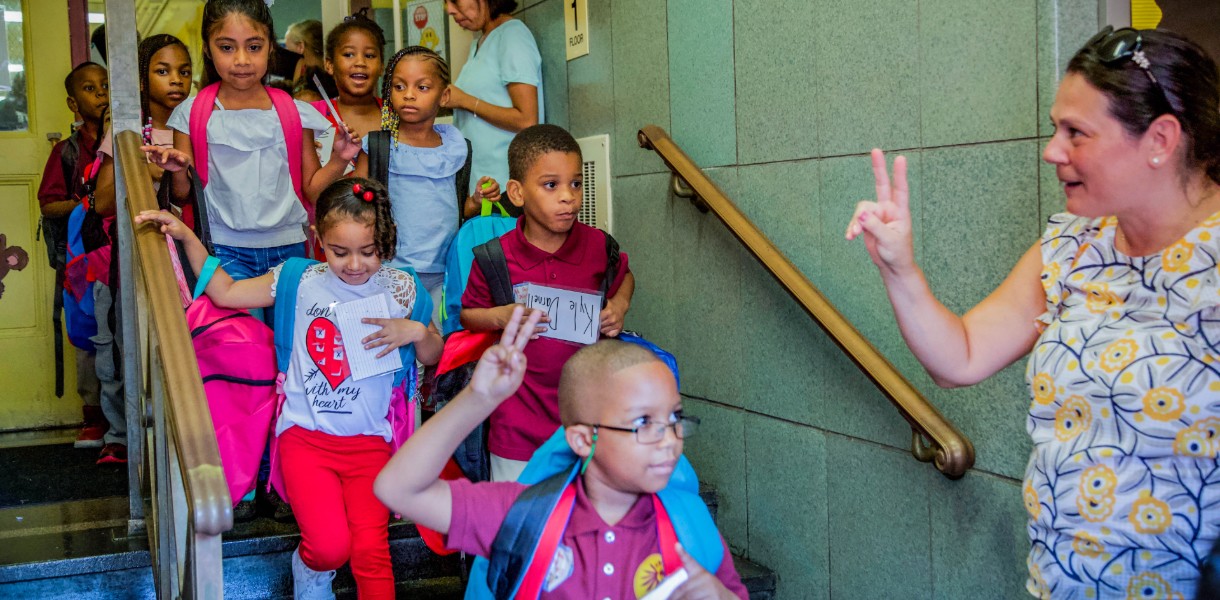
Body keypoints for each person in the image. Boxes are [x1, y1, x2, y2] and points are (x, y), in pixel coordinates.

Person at [845, 27, 1220, 599]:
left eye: (1077, 132)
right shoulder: (1074, 245)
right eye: (1055, 128)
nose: (1052, 149)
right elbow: (961, 357)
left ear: (1160, 139)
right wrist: (900, 268)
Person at [136, 176, 443, 599]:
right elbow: (225, 293)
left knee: (372, 551)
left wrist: (414, 331)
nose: (354, 265)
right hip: (305, 440)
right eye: (340, 252)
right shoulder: (297, 280)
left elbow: (432, 355)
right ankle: (309, 568)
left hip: (372, 444)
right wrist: (188, 236)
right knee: (330, 547)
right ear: (318, 240)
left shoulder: (401, 288)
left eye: (368, 252)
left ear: (385, 242)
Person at [375, 321, 749, 598]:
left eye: (674, 419)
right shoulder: (522, 516)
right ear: (584, 439)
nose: (669, 440)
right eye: (642, 423)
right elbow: (398, 488)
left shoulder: (690, 526)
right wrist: (478, 398)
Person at [460, 124, 634, 482]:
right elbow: (469, 315)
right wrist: (500, 316)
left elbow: (625, 276)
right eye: (551, 185)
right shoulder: (495, 257)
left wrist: (619, 305)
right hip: (515, 430)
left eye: (576, 183)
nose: (568, 196)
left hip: (589, 423)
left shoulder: (599, 246)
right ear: (517, 193)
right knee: (520, 526)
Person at [150, 0, 358, 290]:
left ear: (271, 46)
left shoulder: (292, 111)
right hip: (223, 250)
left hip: (290, 249)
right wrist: (178, 170)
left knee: (286, 334)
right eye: (226, 47)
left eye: (254, 46)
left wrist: (339, 159)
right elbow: (184, 195)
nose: (242, 60)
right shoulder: (192, 113)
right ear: (208, 49)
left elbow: (311, 189)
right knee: (241, 335)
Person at [86, 35, 195, 466]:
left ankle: (180, 433)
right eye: (163, 71)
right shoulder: (127, 129)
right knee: (126, 338)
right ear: (142, 75)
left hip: (186, 249)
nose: (176, 81)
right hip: (136, 251)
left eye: (184, 71)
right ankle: (122, 432)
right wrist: (141, 167)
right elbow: (104, 201)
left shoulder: (195, 123)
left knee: (182, 338)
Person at [353, 46, 501, 325]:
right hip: (388, 270)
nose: (409, 94)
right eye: (399, 86)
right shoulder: (380, 147)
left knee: (437, 348)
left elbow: (460, 209)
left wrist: (479, 199)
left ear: (444, 96)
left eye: (422, 87)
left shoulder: (455, 148)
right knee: (395, 347)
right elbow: (355, 202)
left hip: (444, 271)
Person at [37, 61, 108, 449]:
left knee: (120, 334)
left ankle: (125, 415)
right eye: (89, 88)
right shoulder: (66, 153)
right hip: (82, 261)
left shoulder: (125, 142)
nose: (100, 94)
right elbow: (49, 206)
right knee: (87, 337)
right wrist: (89, 202)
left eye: (105, 85)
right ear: (72, 103)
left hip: (118, 256)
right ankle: (93, 417)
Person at [443, 0, 541, 206]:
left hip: (507, 186)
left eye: (454, 0)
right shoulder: (479, 43)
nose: (449, 9)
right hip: (483, 188)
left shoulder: (513, 36)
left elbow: (527, 120)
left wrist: (465, 101)